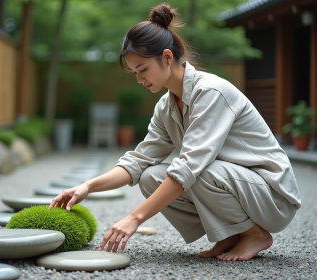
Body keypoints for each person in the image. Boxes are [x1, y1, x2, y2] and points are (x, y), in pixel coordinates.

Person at [48, 3, 301, 262]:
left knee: (196, 169)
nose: (139, 79)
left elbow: (190, 166)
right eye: (135, 72)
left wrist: (134, 218)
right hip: (239, 185)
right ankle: (230, 235)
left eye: (143, 69)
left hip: (271, 195)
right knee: (149, 177)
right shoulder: (167, 106)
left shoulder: (211, 92)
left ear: (167, 57)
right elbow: (138, 161)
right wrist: (87, 186)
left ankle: (255, 234)